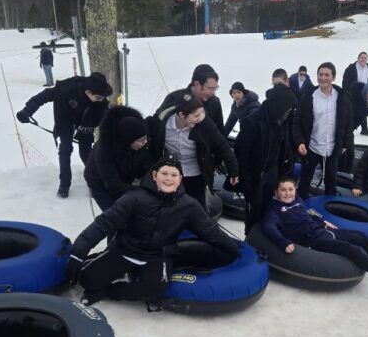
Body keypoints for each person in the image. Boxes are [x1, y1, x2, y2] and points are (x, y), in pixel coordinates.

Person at [67, 157, 240, 307]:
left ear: (180, 179)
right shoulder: (134, 197)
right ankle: (109, 266)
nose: (168, 179)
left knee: (154, 289)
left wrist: (233, 249)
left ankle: (108, 292)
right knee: (87, 280)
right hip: (126, 250)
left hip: (158, 255)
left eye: (174, 175)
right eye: (164, 173)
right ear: (154, 175)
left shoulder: (189, 205)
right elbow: (104, 224)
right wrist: (78, 253)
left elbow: (210, 231)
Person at [261, 177, 368, 291]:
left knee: (359, 236)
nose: (287, 193)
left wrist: (322, 222)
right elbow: (269, 226)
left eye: (290, 189)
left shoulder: (297, 200)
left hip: (322, 231)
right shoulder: (275, 209)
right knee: (353, 250)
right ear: (276, 192)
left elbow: (305, 216)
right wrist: (283, 242)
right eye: (283, 190)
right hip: (312, 241)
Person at [16, 72, 113, 198]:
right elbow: (43, 96)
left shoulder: (99, 98)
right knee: (65, 149)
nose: (102, 100)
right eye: (99, 98)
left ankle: (95, 181)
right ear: (88, 92)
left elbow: (109, 114)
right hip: (65, 118)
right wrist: (27, 111)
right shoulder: (66, 90)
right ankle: (64, 184)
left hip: (87, 119)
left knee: (86, 151)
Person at [148, 93, 239, 210]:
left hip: (196, 173)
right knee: (171, 208)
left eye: (201, 113)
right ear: (182, 115)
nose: (200, 118)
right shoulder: (161, 125)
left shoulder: (205, 124)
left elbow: (222, 146)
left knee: (197, 207)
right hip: (172, 173)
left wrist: (233, 171)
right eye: (196, 115)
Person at [235, 86, 297, 232]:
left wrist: (287, 166)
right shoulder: (252, 123)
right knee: (254, 212)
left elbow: (284, 146)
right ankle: (251, 236)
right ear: (278, 106)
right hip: (256, 176)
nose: (288, 112)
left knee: (270, 209)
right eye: (287, 109)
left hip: (273, 172)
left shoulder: (281, 121)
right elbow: (241, 154)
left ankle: (266, 236)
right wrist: (247, 181)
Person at [293, 62, 353, 200]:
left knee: (331, 183)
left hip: (332, 149)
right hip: (311, 148)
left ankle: (329, 208)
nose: (323, 78)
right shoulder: (309, 96)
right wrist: (300, 141)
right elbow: (297, 122)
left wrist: (345, 144)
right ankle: (300, 206)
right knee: (305, 181)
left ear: (333, 77)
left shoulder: (342, 98)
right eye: (320, 74)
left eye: (327, 75)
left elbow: (349, 124)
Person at [84, 105, 153, 211]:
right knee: (116, 214)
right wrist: (140, 192)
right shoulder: (104, 150)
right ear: (128, 140)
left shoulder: (140, 144)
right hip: (101, 185)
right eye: (141, 140)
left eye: (145, 138)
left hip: (125, 180)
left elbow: (147, 165)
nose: (145, 143)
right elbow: (113, 184)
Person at [157, 64, 225, 135]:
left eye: (215, 88)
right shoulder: (174, 98)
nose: (213, 93)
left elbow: (220, 132)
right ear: (197, 84)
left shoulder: (214, 102)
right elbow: (157, 123)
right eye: (210, 88)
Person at [342, 51, 368, 135]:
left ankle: (364, 129)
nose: (363, 59)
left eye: (365, 58)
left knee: (363, 110)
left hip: (364, 93)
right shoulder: (351, 68)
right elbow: (345, 81)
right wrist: (346, 92)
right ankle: (348, 128)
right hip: (353, 93)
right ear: (358, 58)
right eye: (361, 57)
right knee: (352, 111)